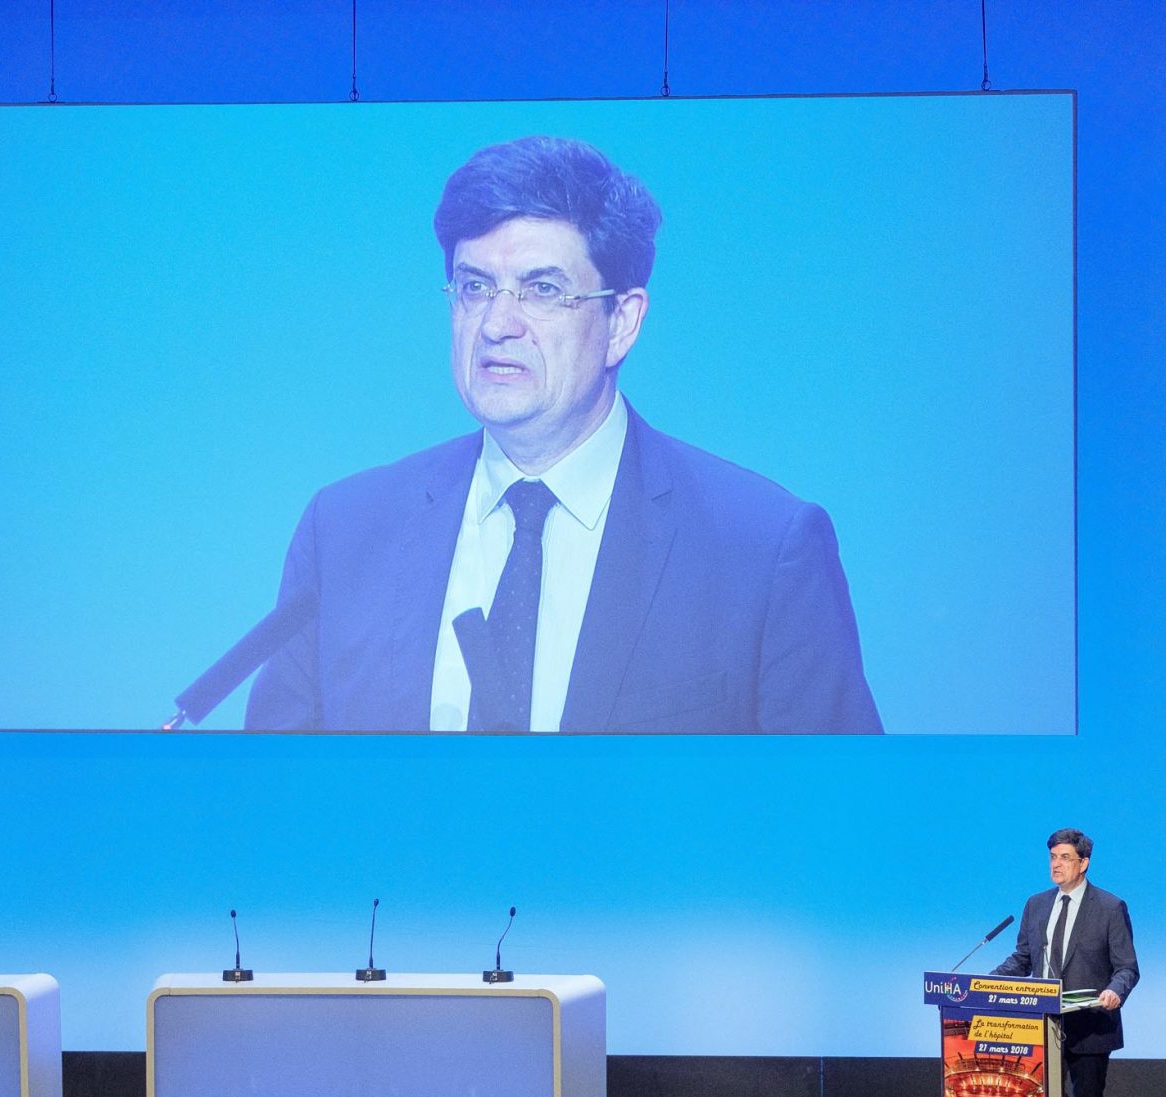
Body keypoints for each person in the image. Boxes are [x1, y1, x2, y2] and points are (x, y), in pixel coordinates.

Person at [244, 135, 881, 734]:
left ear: (623, 322)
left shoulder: (762, 551)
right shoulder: (348, 531)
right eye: (474, 287)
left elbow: (842, 812)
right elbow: (270, 798)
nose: (497, 324)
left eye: (542, 290)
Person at [994, 827, 1140, 1097]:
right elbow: (1023, 960)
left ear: (1084, 863)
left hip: (1092, 1022)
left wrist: (1115, 991)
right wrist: (989, 982)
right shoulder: (1036, 904)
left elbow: (1127, 968)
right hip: (1044, 1024)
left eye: (1064, 858)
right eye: (1052, 858)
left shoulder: (1110, 907)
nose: (1056, 865)